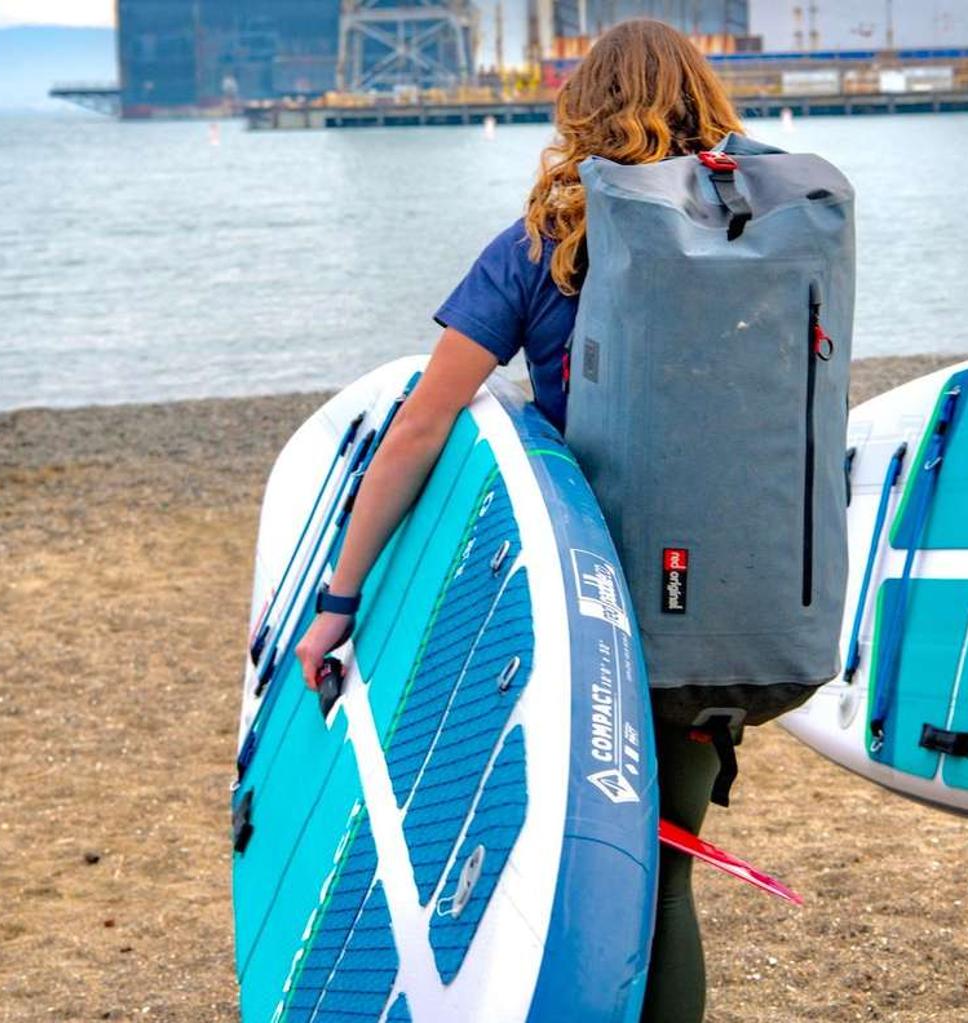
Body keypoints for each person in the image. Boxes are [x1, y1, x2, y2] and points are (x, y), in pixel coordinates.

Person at [290, 20, 746, 1023]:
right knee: (668, 874)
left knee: (562, 870)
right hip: (726, 603)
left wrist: (339, 595)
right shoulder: (761, 234)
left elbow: (420, 427)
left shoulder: (550, 240)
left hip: (587, 597)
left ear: (581, 110)